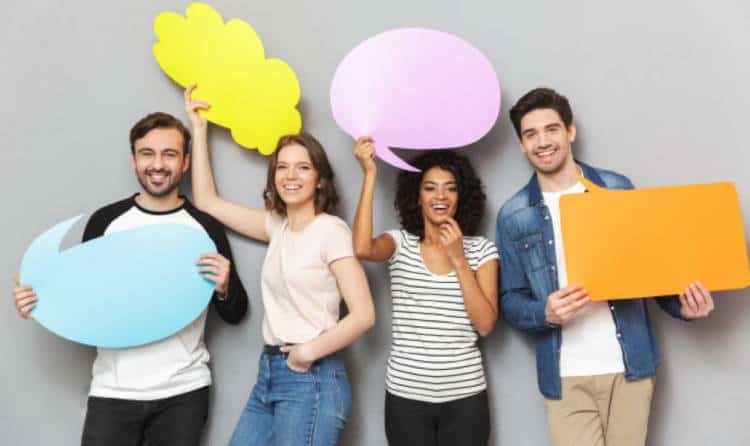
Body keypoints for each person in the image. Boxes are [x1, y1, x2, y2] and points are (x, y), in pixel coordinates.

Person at [12, 111, 249, 446]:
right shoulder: (106, 223)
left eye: (169, 154)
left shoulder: (205, 228)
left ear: (185, 163)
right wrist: (38, 303)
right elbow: (84, 301)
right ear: (133, 160)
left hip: (184, 392)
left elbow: (236, 314)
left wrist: (224, 287)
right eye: (147, 153)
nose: (157, 164)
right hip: (112, 390)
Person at [496, 87, 715, 446]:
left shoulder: (617, 189)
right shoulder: (513, 215)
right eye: (530, 134)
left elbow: (651, 271)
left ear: (570, 131)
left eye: (551, 129)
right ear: (521, 145)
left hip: (629, 367)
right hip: (565, 375)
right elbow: (510, 299)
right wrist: (545, 311)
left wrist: (685, 307)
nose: (542, 141)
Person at [184, 85, 375, 446]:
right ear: (273, 177)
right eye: (282, 167)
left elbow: (364, 314)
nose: (291, 175)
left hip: (312, 377)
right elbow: (207, 202)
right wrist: (199, 129)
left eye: (303, 167)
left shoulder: (331, 231)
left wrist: (307, 352)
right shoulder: (277, 225)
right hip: (269, 372)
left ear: (319, 180)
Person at [352, 138, 499, 446]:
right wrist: (369, 174)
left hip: (465, 397)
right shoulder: (400, 244)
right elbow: (362, 247)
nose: (440, 196)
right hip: (406, 396)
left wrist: (459, 259)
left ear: (462, 196)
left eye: (450, 187)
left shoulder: (482, 250)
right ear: (416, 196)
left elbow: (485, 325)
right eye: (430, 187)